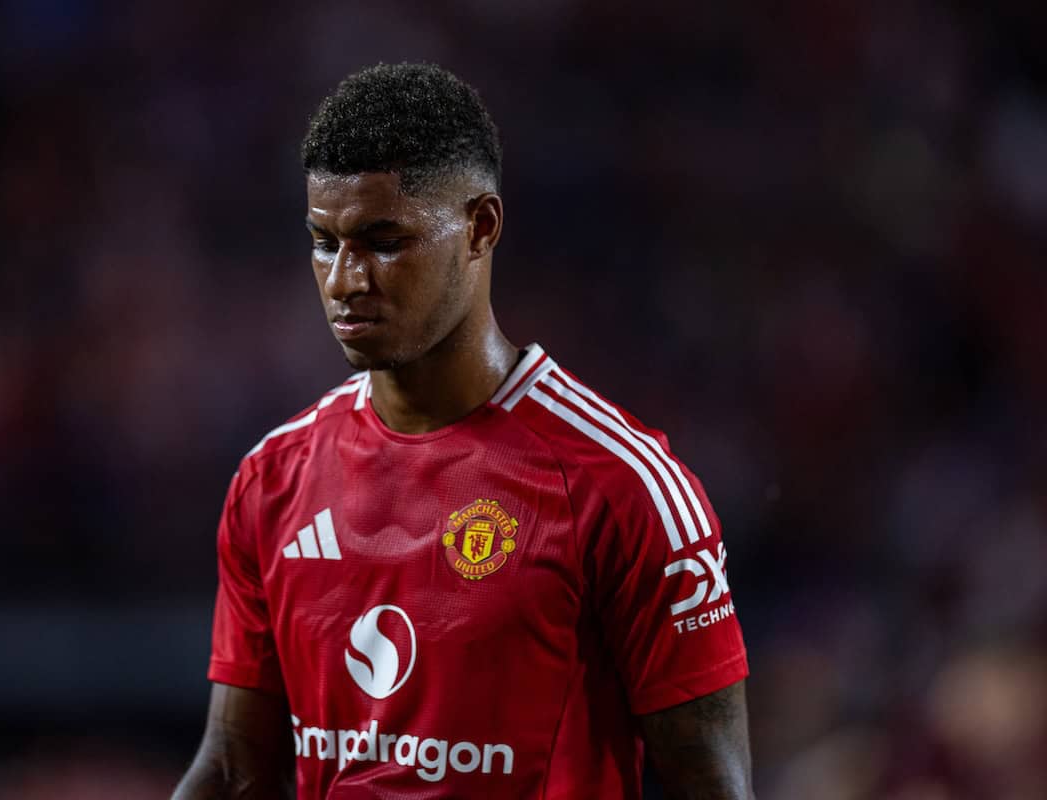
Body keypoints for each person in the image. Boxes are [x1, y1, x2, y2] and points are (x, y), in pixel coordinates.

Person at [172, 62, 753, 799]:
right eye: (325, 241)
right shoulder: (273, 479)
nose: (347, 280)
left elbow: (712, 786)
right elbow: (231, 769)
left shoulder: (623, 487)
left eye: (384, 241)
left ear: (480, 227)